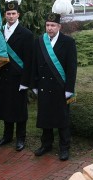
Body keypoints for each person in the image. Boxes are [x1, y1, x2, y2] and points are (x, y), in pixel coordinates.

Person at [33, 11, 77, 161]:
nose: (50, 28)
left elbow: (72, 68)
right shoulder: (40, 41)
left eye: (53, 25)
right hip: (44, 85)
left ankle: (64, 147)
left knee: (62, 118)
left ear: (59, 26)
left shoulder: (68, 42)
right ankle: (46, 144)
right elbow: (35, 63)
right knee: (45, 116)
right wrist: (35, 84)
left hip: (60, 87)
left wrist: (69, 89)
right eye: (47, 25)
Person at [0, 0, 34, 152]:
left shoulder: (26, 34)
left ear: (18, 14)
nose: (11, 16)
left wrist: (26, 81)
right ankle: (7, 135)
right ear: (5, 15)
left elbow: (29, 60)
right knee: (5, 107)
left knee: (19, 110)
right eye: (8, 13)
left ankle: (20, 137)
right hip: (3, 76)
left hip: (18, 78)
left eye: (13, 13)